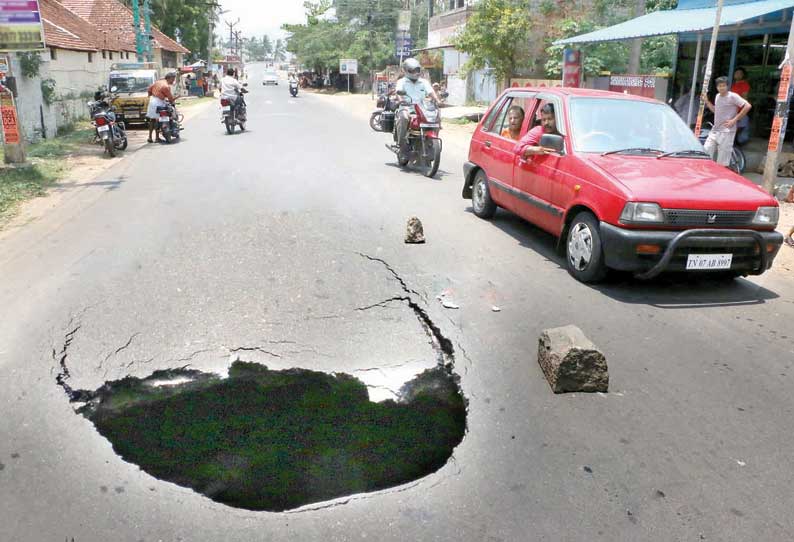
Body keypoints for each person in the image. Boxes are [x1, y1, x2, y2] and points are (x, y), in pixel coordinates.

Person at [703, 76, 751, 167]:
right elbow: (715, 111)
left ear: (727, 86)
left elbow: (747, 106)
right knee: (706, 151)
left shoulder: (733, 96)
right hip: (715, 130)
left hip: (727, 131)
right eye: (719, 86)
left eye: (723, 85)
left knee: (722, 161)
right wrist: (707, 102)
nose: (721, 88)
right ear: (717, 87)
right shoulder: (717, 96)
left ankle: (720, 179)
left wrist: (734, 120)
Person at [395, 58, 440, 150]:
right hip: (406, 108)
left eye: (417, 70)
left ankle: (432, 139)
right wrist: (400, 100)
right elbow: (398, 93)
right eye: (412, 70)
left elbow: (431, 92)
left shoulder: (424, 82)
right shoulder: (401, 82)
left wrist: (437, 100)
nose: (415, 72)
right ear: (406, 70)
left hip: (422, 109)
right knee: (404, 117)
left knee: (437, 115)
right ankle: (402, 143)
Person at [146, 71, 176, 143]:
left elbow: (149, 89)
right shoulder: (166, 86)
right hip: (159, 102)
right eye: (173, 79)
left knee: (152, 120)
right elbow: (170, 98)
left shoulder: (157, 82)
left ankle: (150, 137)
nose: (173, 81)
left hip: (152, 100)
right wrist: (173, 101)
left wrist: (150, 95)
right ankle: (157, 138)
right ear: (169, 78)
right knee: (159, 120)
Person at [731, 67, 751, 145]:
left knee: (739, 126)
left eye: (740, 73)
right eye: (736, 73)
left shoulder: (744, 84)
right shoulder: (734, 84)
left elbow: (744, 98)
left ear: (743, 75)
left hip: (739, 109)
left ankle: (736, 142)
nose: (737, 75)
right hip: (733, 109)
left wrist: (742, 110)